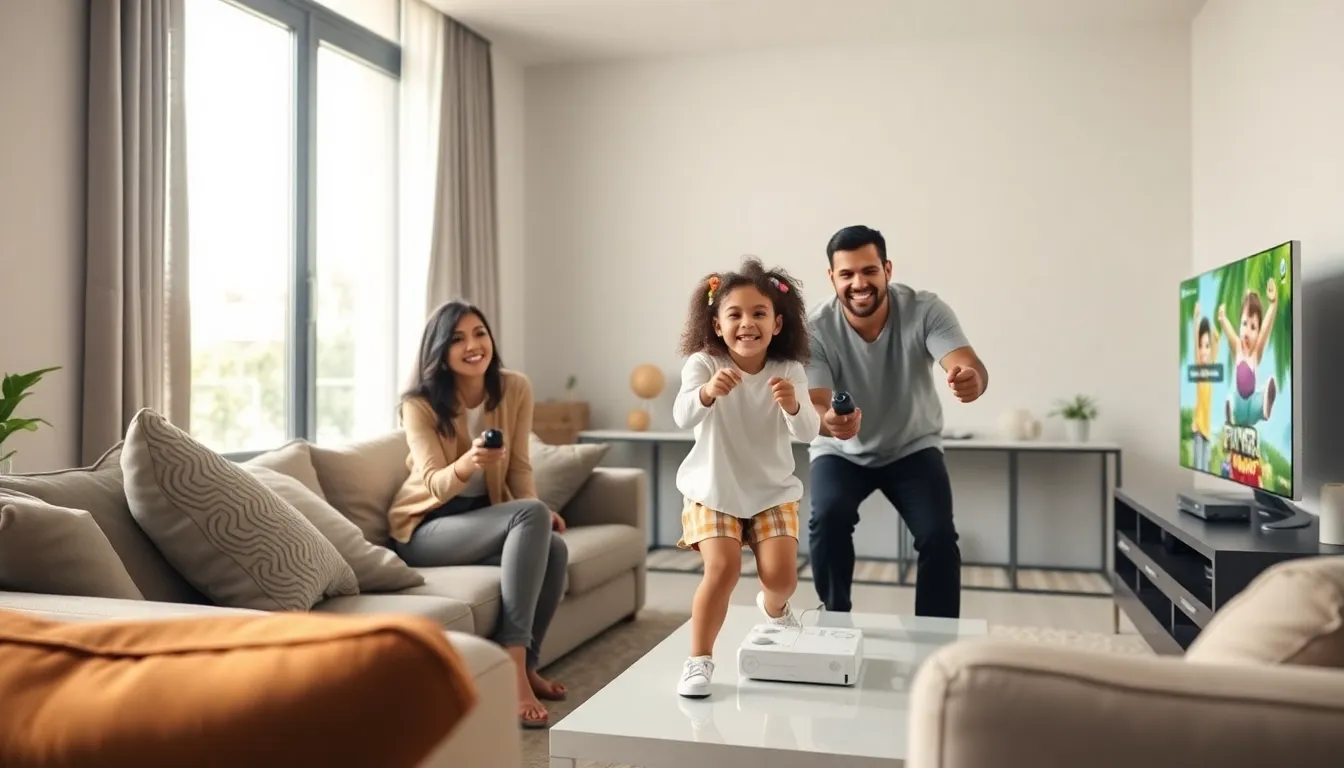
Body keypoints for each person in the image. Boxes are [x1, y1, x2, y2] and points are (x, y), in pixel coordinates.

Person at [387, 299, 569, 729]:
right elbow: (433, 482)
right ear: (440, 352)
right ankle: (512, 669)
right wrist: (470, 462)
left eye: (479, 333)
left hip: (480, 520)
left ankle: (527, 666)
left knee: (555, 549)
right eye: (457, 339)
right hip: (425, 529)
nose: (473, 345)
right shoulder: (419, 404)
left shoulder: (514, 388)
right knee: (529, 518)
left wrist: (539, 511)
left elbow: (520, 466)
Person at [805, 225, 988, 619]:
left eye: (869, 271)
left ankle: (935, 641)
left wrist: (970, 379)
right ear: (832, 278)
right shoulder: (815, 327)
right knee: (827, 520)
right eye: (847, 274)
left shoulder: (925, 310)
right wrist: (829, 423)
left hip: (912, 447)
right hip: (841, 451)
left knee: (938, 536)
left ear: (887, 269)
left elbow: (966, 364)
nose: (859, 283)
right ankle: (835, 620)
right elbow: (816, 403)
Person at [671, 257, 821, 698]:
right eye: (734, 314)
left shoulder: (788, 370)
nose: (747, 323)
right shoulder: (703, 364)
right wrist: (706, 392)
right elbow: (681, 415)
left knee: (782, 579)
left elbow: (810, 431)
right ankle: (698, 661)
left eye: (759, 314)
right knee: (722, 569)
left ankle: (774, 609)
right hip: (713, 490)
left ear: (777, 324)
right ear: (717, 325)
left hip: (771, 492)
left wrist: (794, 404)